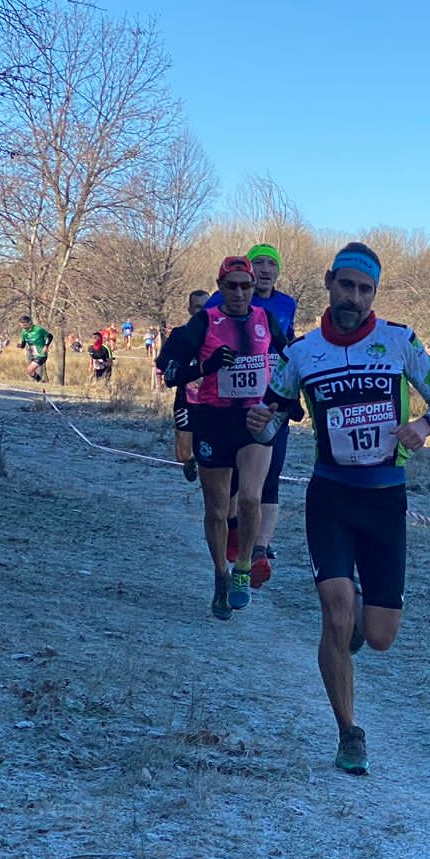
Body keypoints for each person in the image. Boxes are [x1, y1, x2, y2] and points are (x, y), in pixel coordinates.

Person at [256, 242, 430, 774]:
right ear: (329, 282)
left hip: (386, 500)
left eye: (366, 290)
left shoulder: (399, 341)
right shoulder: (302, 353)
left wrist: (425, 426)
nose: (356, 298)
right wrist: (264, 422)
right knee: (335, 615)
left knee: (380, 635)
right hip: (331, 497)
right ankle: (348, 732)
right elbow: (275, 410)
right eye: (348, 285)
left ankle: (364, 616)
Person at [156, 258, 284, 619]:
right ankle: (220, 575)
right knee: (215, 509)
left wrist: (285, 404)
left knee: (249, 498)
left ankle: (243, 566)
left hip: (253, 421)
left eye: (246, 285)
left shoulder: (266, 320)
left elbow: (288, 361)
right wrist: (206, 367)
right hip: (212, 420)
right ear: (221, 287)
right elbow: (171, 374)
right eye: (233, 286)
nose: (241, 292)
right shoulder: (203, 323)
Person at [207, 244, 298, 586]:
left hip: (271, 401)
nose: (263, 270)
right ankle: (235, 537)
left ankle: (259, 551)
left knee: (269, 478)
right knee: (232, 483)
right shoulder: (225, 300)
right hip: (228, 404)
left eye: (270, 264)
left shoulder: (286, 304)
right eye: (257, 262)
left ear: (277, 271)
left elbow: (285, 344)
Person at [170, 289, 209, 482]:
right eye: (198, 307)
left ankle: (210, 473)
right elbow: (165, 365)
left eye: (206, 307)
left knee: (211, 449)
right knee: (182, 454)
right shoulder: (179, 335)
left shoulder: (218, 335)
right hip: (185, 399)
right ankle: (190, 461)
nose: (202, 311)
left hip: (211, 402)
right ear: (189, 309)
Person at [18, 315, 53, 382]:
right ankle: (41, 382)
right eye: (22, 325)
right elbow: (23, 344)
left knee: (29, 370)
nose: (24, 327)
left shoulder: (38, 329)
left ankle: (40, 382)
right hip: (33, 355)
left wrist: (46, 346)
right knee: (29, 371)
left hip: (41, 355)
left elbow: (50, 336)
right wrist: (20, 345)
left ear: (29, 323)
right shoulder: (24, 332)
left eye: (25, 325)